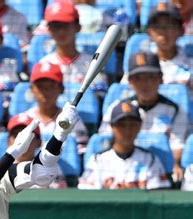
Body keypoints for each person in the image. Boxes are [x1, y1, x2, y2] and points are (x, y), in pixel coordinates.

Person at [100, 51, 189, 183]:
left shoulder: (175, 109)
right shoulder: (117, 108)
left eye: (150, 77)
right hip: (124, 164)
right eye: (138, 78)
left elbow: (178, 145)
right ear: (130, 81)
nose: (145, 84)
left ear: (160, 78)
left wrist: (174, 164)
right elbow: (106, 139)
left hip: (161, 167)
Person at [78, 102, 172, 190]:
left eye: (132, 125)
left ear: (139, 127)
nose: (127, 131)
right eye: (122, 125)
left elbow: (159, 196)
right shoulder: (98, 160)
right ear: (112, 127)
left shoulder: (150, 159)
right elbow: (87, 196)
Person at [38, 1, 107, 94]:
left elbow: (100, 95)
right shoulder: (45, 64)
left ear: (78, 27)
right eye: (55, 26)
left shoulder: (92, 64)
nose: (61, 31)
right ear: (49, 29)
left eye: (66, 25)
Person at [26, 62, 88, 162]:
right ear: (32, 89)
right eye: (40, 86)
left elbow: (82, 153)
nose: (45, 91)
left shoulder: (72, 118)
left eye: (51, 86)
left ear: (61, 89)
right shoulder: (25, 119)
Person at [7, 113, 67, 189]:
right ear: (8, 141)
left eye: (29, 136)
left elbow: (62, 194)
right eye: (16, 135)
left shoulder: (50, 165)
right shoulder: (0, 169)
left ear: (39, 142)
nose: (23, 140)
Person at [144, 4, 192, 94]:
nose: (163, 32)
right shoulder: (141, 63)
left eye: (169, 26)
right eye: (157, 26)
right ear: (149, 32)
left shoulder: (191, 63)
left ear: (181, 30)